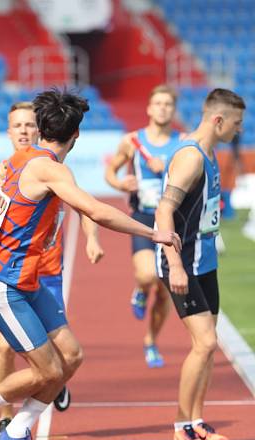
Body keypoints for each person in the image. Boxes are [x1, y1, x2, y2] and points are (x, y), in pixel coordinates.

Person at [0, 89, 180, 440]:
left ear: (41, 127)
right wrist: (154, 233)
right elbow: (96, 209)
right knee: (47, 371)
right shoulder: (49, 168)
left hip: (29, 281)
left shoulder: (24, 158)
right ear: (75, 136)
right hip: (3, 284)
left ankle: (17, 431)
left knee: (72, 357)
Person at [0, 101, 104, 438]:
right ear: (9, 132)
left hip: (47, 272)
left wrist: (92, 239)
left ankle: (52, 379)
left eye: (28, 125)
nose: (23, 130)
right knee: (5, 348)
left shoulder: (52, 169)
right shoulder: (1, 172)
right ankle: (7, 415)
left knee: (60, 353)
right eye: (17, 126)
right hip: (10, 274)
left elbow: (85, 208)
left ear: (38, 130)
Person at [155, 88, 245, 440]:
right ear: (218, 120)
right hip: (183, 263)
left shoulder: (209, 152)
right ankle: (181, 423)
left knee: (208, 347)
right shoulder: (191, 157)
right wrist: (174, 265)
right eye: (236, 123)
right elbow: (163, 211)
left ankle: (196, 419)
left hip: (204, 260)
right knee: (205, 342)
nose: (240, 130)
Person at [104, 85, 182, 368]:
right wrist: (120, 183)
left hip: (173, 220)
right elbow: (110, 172)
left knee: (164, 291)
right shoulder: (132, 141)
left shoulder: (183, 142)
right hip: (144, 218)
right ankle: (139, 289)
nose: (162, 108)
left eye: (167, 104)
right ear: (149, 108)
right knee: (148, 275)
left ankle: (151, 341)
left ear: (173, 110)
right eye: (158, 103)